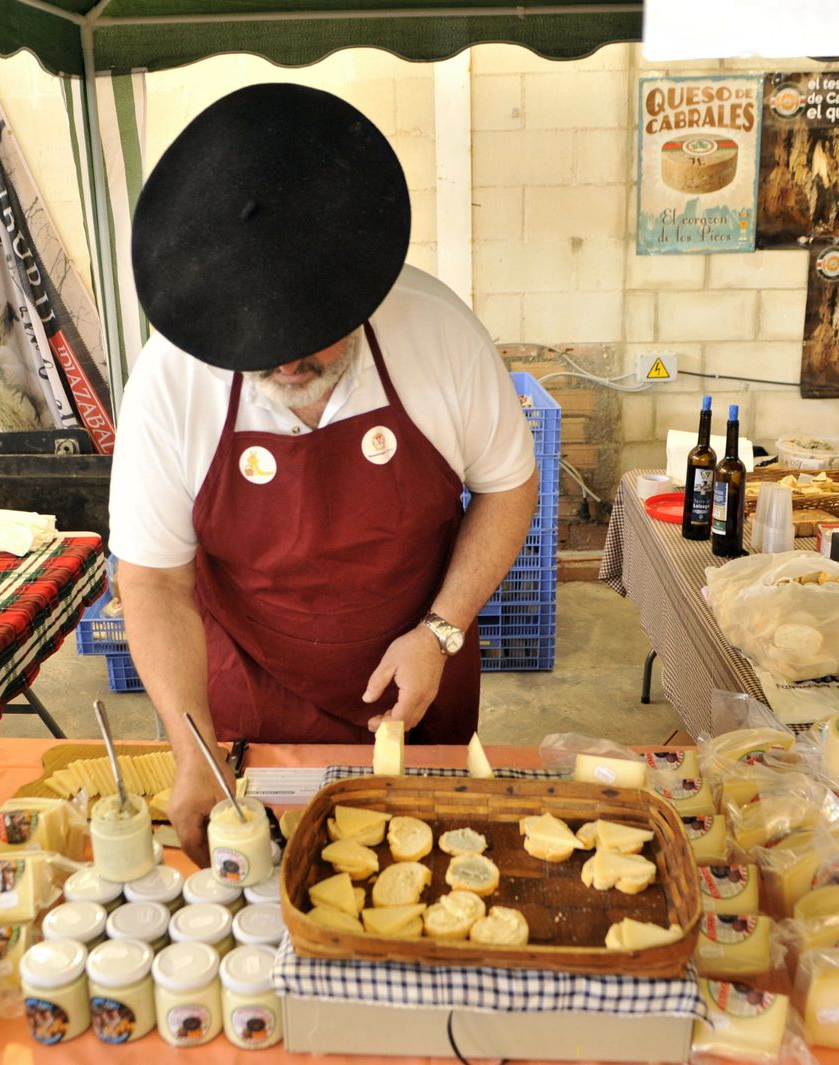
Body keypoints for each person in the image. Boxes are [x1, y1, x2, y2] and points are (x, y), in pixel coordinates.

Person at [110, 83, 538, 867]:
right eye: (257, 343)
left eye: (310, 336)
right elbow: (152, 583)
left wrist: (441, 632)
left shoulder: (439, 335)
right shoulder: (169, 383)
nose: (287, 363)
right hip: (252, 690)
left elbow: (510, 485)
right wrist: (191, 748)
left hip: (416, 677)